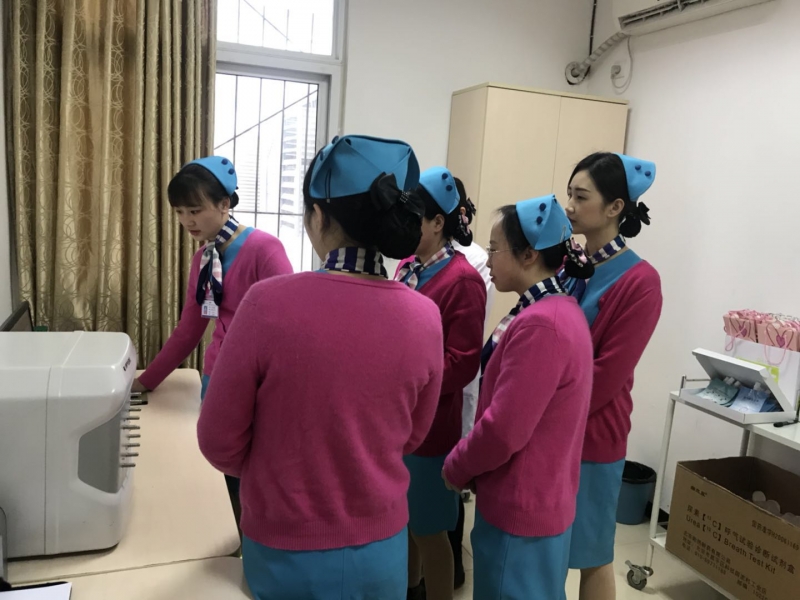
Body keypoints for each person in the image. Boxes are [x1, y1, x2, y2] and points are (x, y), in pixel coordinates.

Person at [197, 135, 446, 600]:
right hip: (382, 552)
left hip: (287, 549)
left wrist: (276, 470)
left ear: (318, 216)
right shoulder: (424, 316)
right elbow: (413, 434)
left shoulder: (267, 305)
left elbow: (218, 440)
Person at [442, 195, 595, 600]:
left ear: (529, 254)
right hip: (541, 500)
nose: (488, 260)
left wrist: (458, 465)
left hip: (521, 507)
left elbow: (504, 428)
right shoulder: (559, 309)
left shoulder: (541, 325)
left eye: (495, 249)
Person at [132, 157, 292, 519]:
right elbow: (190, 329)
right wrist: (147, 380)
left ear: (224, 204)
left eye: (195, 210)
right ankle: (230, 535)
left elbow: (288, 325)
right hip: (216, 374)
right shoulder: (204, 258)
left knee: (255, 473)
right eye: (179, 212)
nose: (187, 221)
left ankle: (251, 536)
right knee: (221, 472)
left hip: (258, 382)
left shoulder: (264, 250)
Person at [563, 152, 663, 600]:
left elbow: (607, 376)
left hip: (593, 433)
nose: (569, 206)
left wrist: (543, 407)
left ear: (615, 207)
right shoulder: (572, 264)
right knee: (549, 546)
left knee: (591, 554)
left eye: (581, 196)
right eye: (569, 194)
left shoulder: (640, 281)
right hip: (551, 428)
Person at [395, 167, 486, 600]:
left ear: (437, 222)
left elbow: (463, 363)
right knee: (406, 523)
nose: (403, 225)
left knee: (431, 532)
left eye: (413, 217)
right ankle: (410, 588)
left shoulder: (462, 280)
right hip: (398, 420)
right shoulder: (407, 266)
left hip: (431, 429)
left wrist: (410, 383)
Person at [446, 177, 494, 590]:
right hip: (428, 385)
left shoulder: (473, 262)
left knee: (450, 480)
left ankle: (454, 570)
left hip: (456, 383)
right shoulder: (413, 259)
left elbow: (465, 338)